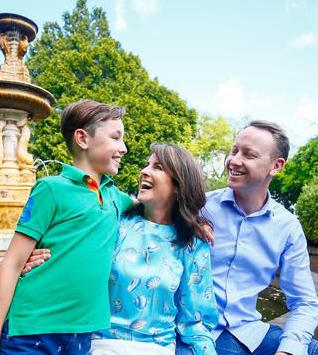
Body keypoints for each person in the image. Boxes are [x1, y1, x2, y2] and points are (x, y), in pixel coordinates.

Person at [0, 100, 135, 355]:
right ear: (82, 138)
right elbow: (12, 263)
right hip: (32, 332)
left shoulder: (116, 197)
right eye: (116, 138)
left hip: (82, 334)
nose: (123, 148)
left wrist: (198, 221)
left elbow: (158, 204)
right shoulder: (51, 189)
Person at [26, 144, 219, 355]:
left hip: (157, 349)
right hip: (95, 345)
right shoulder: (113, 221)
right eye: (147, 164)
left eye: (158, 167)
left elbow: (196, 321)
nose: (144, 171)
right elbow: (68, 257)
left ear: (179, 185)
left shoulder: (192, 243)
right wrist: (29, 261)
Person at [195, 120, 318, 355]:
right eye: (234, 150)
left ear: (276, 166)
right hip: (199, 334)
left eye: (249, 155)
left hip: (251, 333)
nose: (234, 160)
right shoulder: (199, 207)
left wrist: (288, 351)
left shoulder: (287, 227)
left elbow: (305, 302)